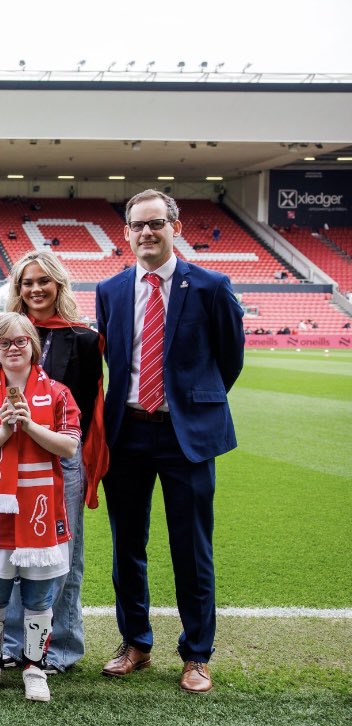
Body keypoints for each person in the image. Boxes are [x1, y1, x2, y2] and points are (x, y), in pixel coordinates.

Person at [96, 189, 245, 694]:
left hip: (187, 437)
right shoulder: (111, 290)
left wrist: (188, 407)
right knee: (127, 546)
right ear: (126, 234)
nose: (146, 233)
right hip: (128, 431)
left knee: (191, 547)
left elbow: (229, 361)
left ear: (175, 226)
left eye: (156, 223)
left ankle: (197, 654)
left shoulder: (210, 286)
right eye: (137, 225)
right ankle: (135, 642)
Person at [0, 312, 80, 703]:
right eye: (4, 343)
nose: (13, 349)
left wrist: (28, 425)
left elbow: (69, 446)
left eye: (20, 341)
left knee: (39, 598)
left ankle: (34, 666)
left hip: (40, 514)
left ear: (34, 346)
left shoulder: (59, 393)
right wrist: (4, 431)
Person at [0, 250, 106, 675]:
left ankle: (59, 646)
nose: (35, 289)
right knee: (11, 552)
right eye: (26, 282)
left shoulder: (82, 338)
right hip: (10, 458)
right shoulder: (4, 333)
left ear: (58, 284)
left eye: (43, 280)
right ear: (17, 288)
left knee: (63, 555)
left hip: (61, 462)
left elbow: (87, 408)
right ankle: (12, 643)